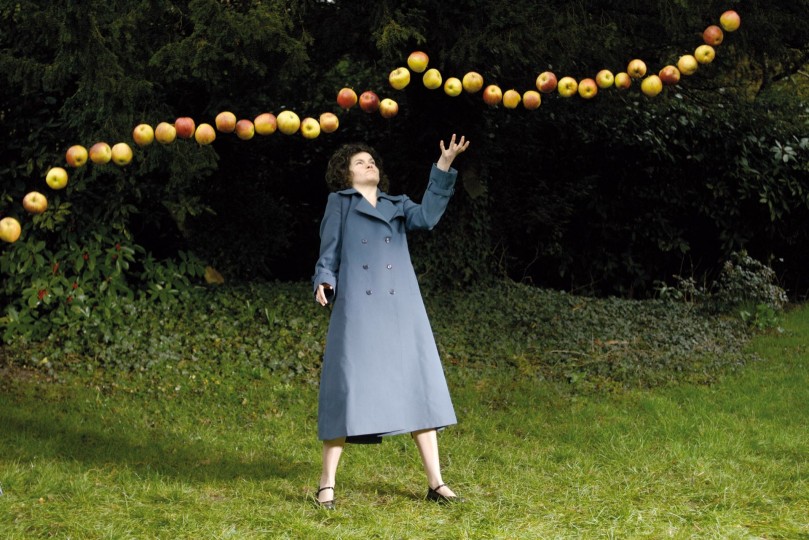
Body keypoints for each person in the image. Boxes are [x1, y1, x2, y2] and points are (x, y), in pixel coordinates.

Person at [312, 134, 471, 509]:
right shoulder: (340, 204)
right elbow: (328, 251)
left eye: (371, 161)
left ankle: (436, 482)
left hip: (402, 308)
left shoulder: (397, 204)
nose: (369, 165)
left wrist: (444, 166)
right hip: (358, 309)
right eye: (359, 162)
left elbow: (428, 217)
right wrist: (324, 279)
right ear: (345, 174)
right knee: (347, 387)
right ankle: (326, 485)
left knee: (419, 385)